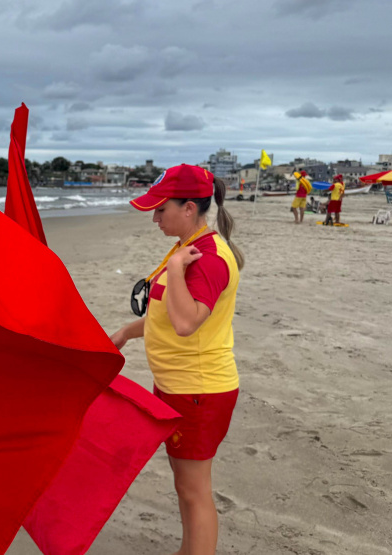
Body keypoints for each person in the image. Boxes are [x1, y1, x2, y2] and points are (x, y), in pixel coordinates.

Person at [112, 164, 243, 555]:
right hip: (177, 385)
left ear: (188, 208)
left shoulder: (207, 258)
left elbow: (186, 322)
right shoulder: (188, 247)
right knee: (185, 484)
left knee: (193, 490)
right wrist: (122, 334)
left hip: (199, 390)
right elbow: (163, 315)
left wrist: (173, 270)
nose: (154, 218)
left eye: (160, 209)